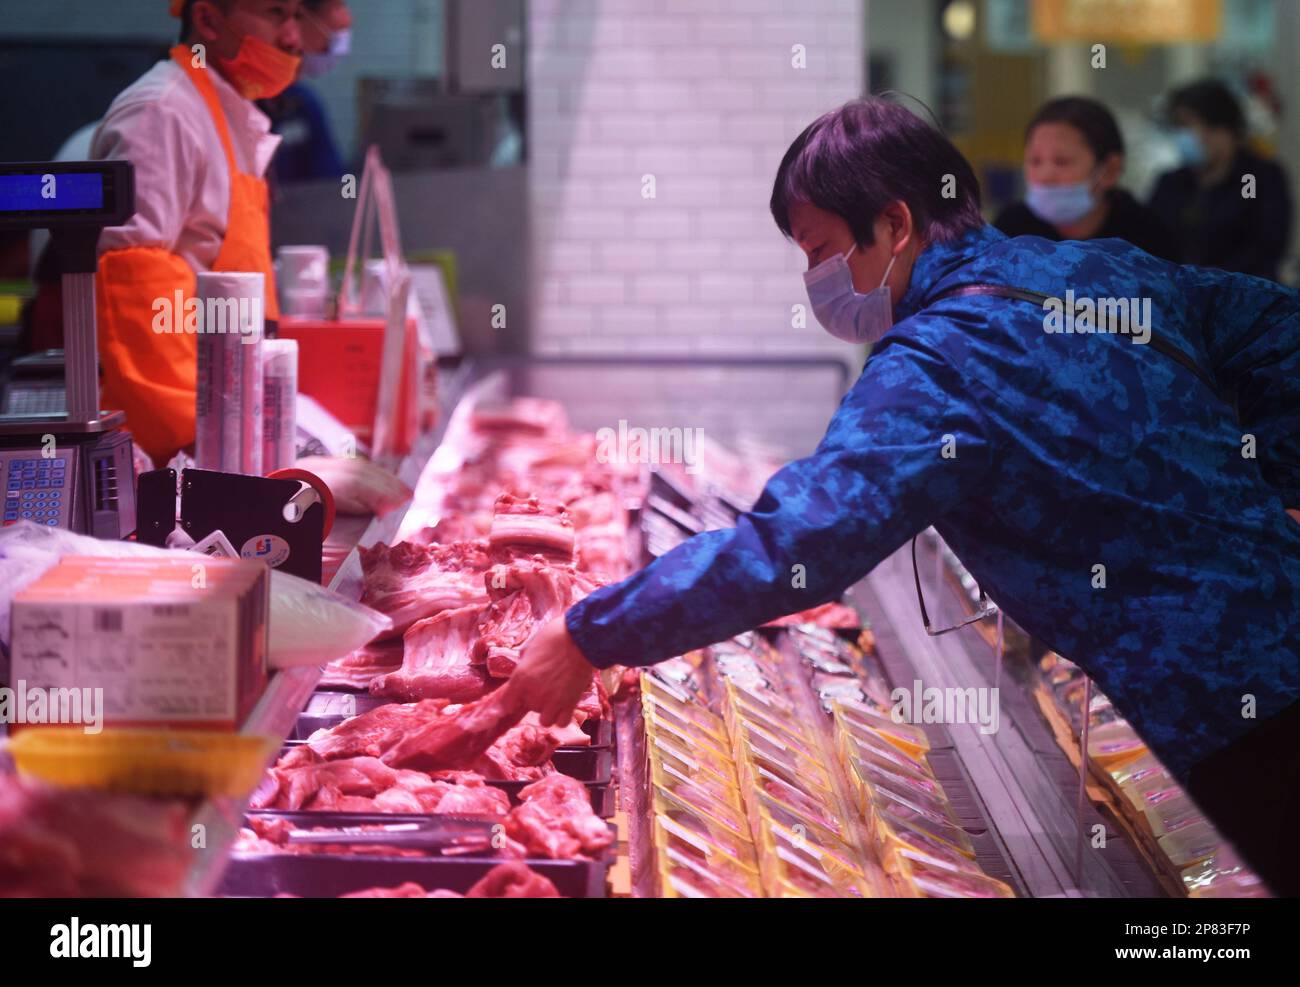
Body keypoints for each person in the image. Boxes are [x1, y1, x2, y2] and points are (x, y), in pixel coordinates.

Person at [502, 98, 1300, 895]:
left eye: (820, 251)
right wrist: (1260, 493)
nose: (817, 282)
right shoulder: (1100, 270)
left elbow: (801, 543)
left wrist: (589, 635)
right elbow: (1280, 331)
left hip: (1222, 706)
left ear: (894, 222)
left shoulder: (941, 360)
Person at [91, 0, 302, 465]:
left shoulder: (223, 109)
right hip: (169, 442)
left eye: (297, 17)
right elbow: (136, 288)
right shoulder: (162, 110)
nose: (293, 38)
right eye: (275, 14)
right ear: (207, 18)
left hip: (224, 424)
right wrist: (196, 438)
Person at [995, 96, 1175, 261]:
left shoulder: (1146, 237)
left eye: (1062, 162)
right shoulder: (1009, 232)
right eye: (1035, 161)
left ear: (1110, 170)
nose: (1044, 176)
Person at [1149, 78, 1293, 281]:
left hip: (1244, 300)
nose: (1182, 136)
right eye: (1177, 127)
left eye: (1187, 125)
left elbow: (1266, 249)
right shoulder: (1171, 183)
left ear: (1220, 129)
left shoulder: (1260, 179)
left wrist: (1208, 283)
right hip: (1177, 300)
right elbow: (1150, 240)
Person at [261, 0, 351, 184]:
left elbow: (331, 186)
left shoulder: (304, 103)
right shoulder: (232, 104)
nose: (348, 19)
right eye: (337, 6)